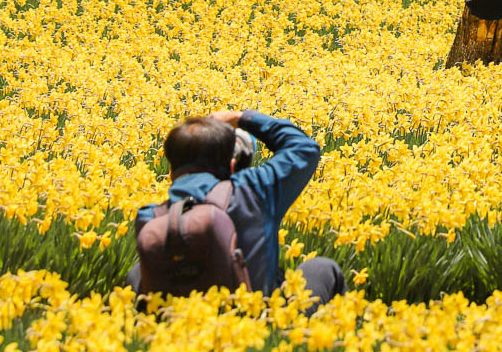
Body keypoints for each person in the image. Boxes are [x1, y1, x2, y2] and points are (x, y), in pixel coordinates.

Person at [132, 109, 344, 306]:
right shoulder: (252, 191)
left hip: (179, 327)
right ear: (233, 166)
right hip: (255, 324)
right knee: (321, 268)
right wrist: (240, 118)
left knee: (136, 273)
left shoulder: (150, 216)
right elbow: (304, 147)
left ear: (171, 172)